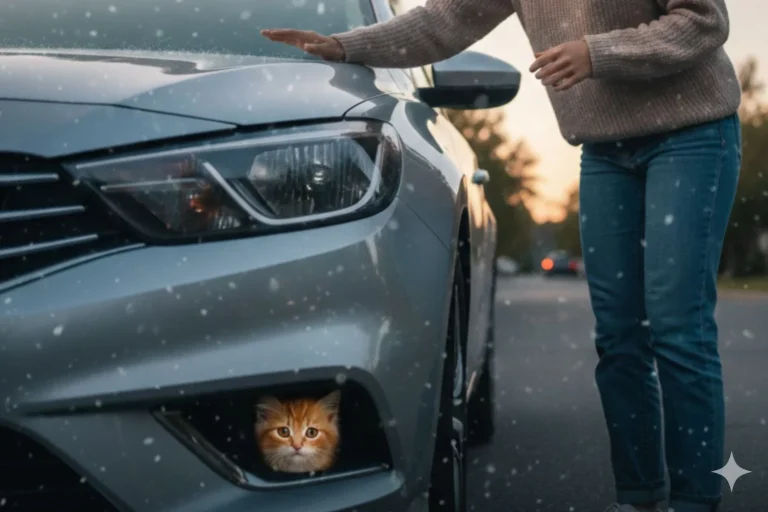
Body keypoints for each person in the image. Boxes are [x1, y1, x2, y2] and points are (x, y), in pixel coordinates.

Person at [263, 1, 742, 511]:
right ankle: (639, 496)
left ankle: (696, 499)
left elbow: (704, 20)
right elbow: (445, 20)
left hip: (690, 134)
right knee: (619, 337)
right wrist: (345, 46)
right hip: (606, 150)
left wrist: (598, 53)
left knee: (676, 327)